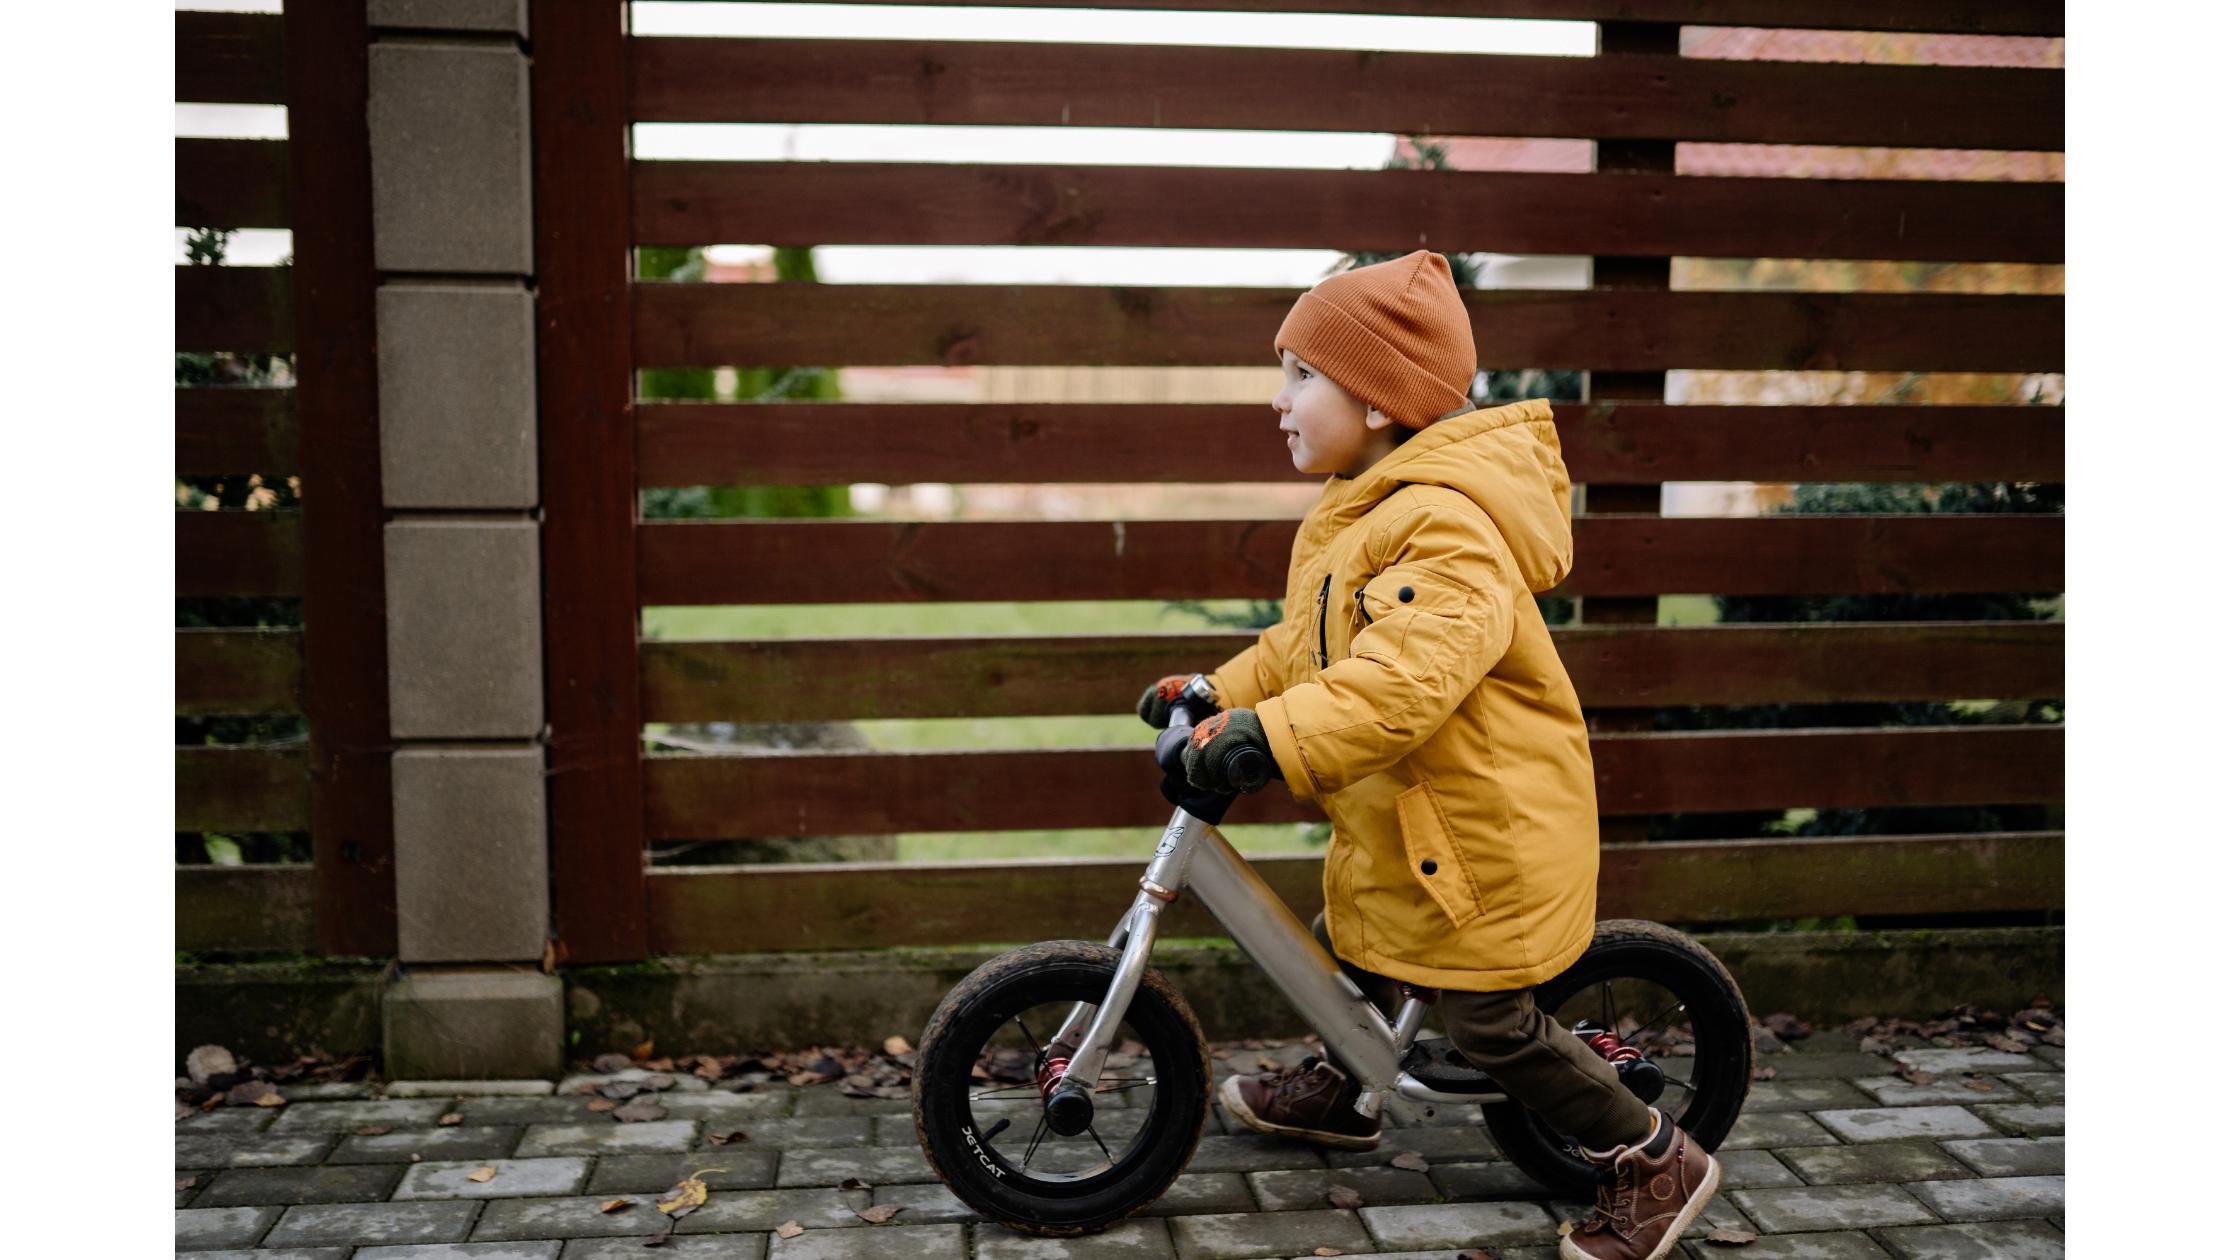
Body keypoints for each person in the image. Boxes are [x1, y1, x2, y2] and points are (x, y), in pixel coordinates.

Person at [1135, 250, 1718, 1260]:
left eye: (1300, 376)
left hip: (1488, 833)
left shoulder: (1444, 527)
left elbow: (1400, 684)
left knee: (1485, 1023)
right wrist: (1219, 695)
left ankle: (1656, 1159)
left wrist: (1266, 740)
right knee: (1349, 932)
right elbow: (1301, 649)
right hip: (1421, 826)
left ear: (1374, 401)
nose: (1278, 402)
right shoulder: (1365, 507)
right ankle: (1348, 1083)